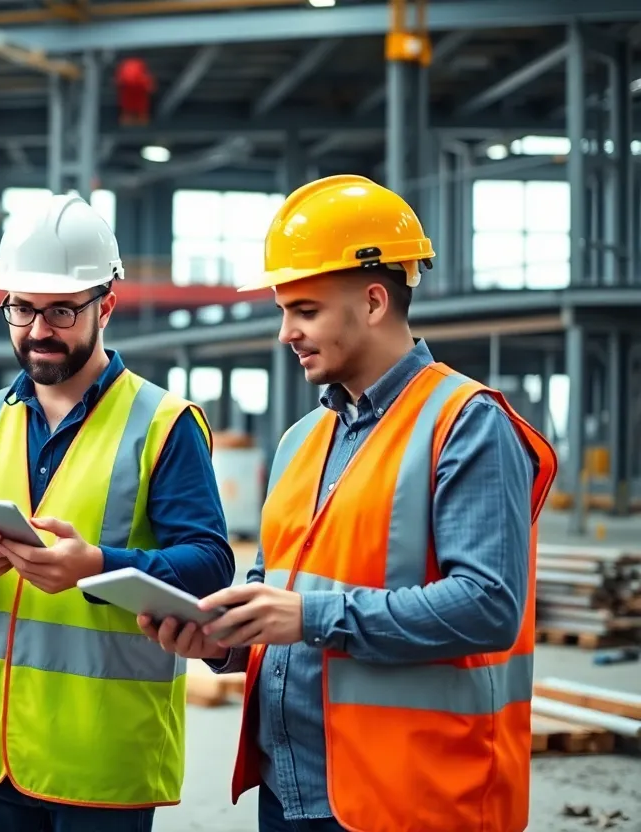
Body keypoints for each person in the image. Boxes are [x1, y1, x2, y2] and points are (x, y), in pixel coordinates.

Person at [138, 175, 558, 832]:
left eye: (303, 310)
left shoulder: (466, 424)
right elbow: (276, 594)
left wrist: (306, 616)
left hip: (412, 798)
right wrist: (218, 639)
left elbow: (488, 608)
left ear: (371, 301)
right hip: (294, 789)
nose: (286, 333)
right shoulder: (302, 441)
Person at [0, 193, 235, 831]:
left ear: (105, 305)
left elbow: (210, 565)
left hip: (102, 760)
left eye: (60, 310)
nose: (37, 330)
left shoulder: (164, 423)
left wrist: (97, 567)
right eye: (22, 309)